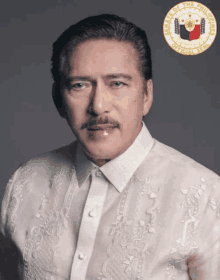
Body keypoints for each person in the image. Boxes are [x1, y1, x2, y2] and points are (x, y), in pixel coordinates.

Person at [0, 14, 220, 280]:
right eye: (79, 85)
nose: (98, 105)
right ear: (58, 99)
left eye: (117, 83)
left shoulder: (206, 196)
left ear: (146, 95)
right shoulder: (25, 182)